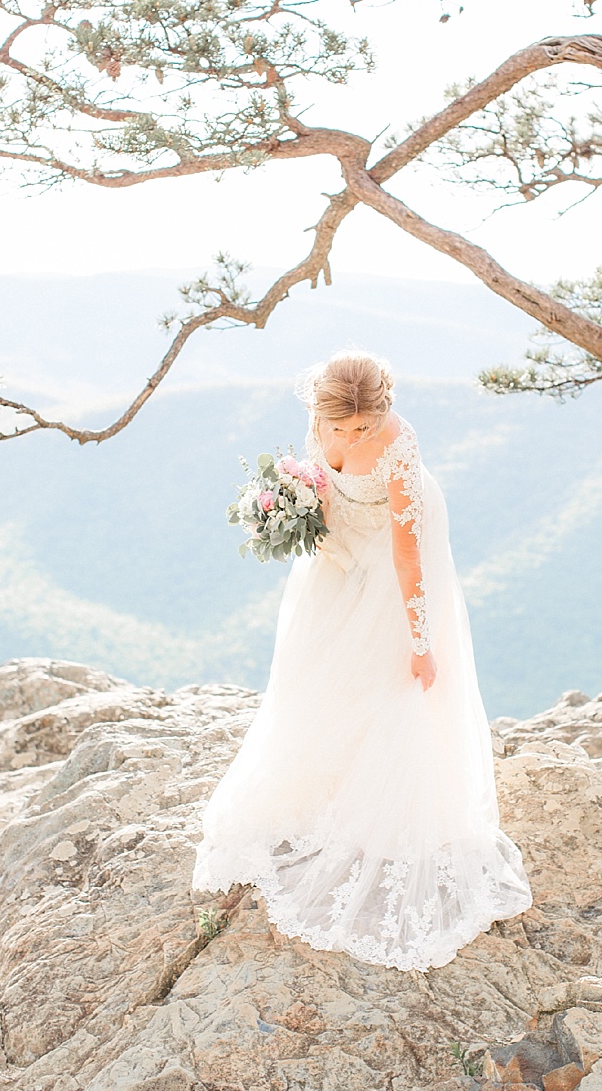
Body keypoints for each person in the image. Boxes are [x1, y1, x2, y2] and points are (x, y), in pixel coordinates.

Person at [193, 351, 532, 972]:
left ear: (383, 413)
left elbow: (410, 559)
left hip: (395, 547)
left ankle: (375, 799)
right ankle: (323, 783)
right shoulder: (323, 421)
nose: (348, 438)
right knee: (318, 664)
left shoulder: (400, 450)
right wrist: (294, 517)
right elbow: (322, 485)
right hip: (341, 538)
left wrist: (423, 644)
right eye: (338, 429)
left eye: (362, 429)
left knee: (388, 675)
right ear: (319, 415)